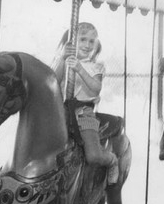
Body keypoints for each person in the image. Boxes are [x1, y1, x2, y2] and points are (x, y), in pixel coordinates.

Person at [51, 22, 119, 184]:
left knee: (93, 155)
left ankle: (111, 160)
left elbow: (95, 89)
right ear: (72, 42)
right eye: (82, 39)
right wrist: (62, 58)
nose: (87, 45)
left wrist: (80, 69)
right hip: (60, 111)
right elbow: (52, 81)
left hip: (84, 111)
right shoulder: (63, 61)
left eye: (91, 41)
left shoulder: (95, 66)